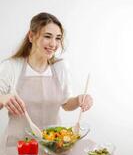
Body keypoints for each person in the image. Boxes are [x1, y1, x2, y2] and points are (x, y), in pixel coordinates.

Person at [0, 12, 93, 146]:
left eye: (58, 38)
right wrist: (3, 98)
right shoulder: (11, 66)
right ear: (31, 36)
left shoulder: (60, 67)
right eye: (48, 36)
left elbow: (66, 104)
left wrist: (79, 100)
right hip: (19, 146)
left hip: (53, 144)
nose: (53, 44)